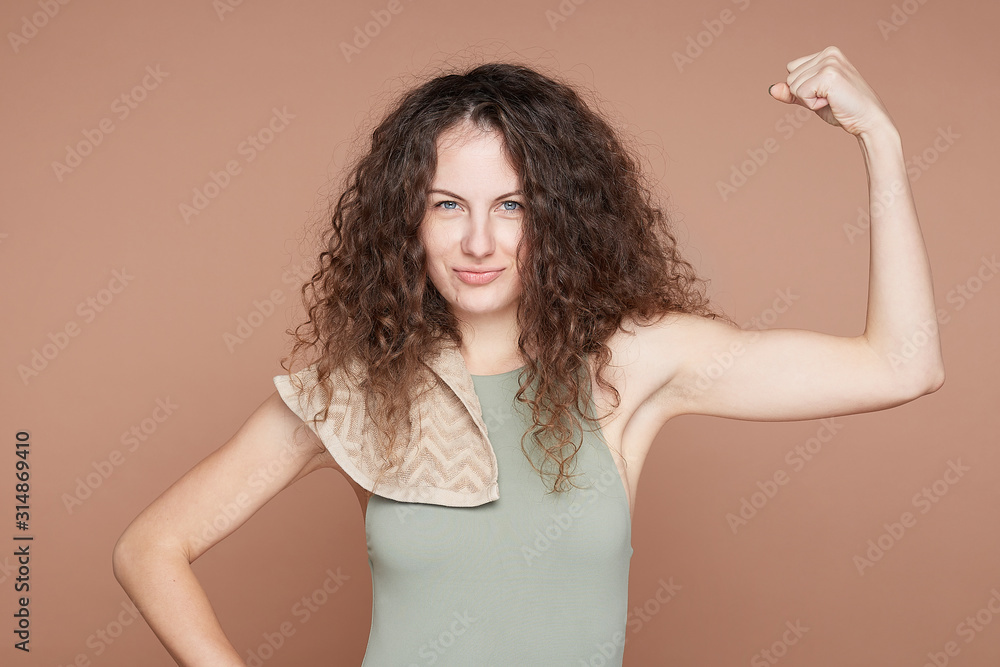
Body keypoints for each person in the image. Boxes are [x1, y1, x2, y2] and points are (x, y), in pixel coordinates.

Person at [112, 46, 945, 666]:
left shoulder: (633, 364)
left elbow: (902, 364)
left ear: (560, 217)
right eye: (448, 204)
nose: (478, 240)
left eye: (512, 204)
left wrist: (880, 139)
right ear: (407, 219)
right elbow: (149, 547)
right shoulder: (365, 392)